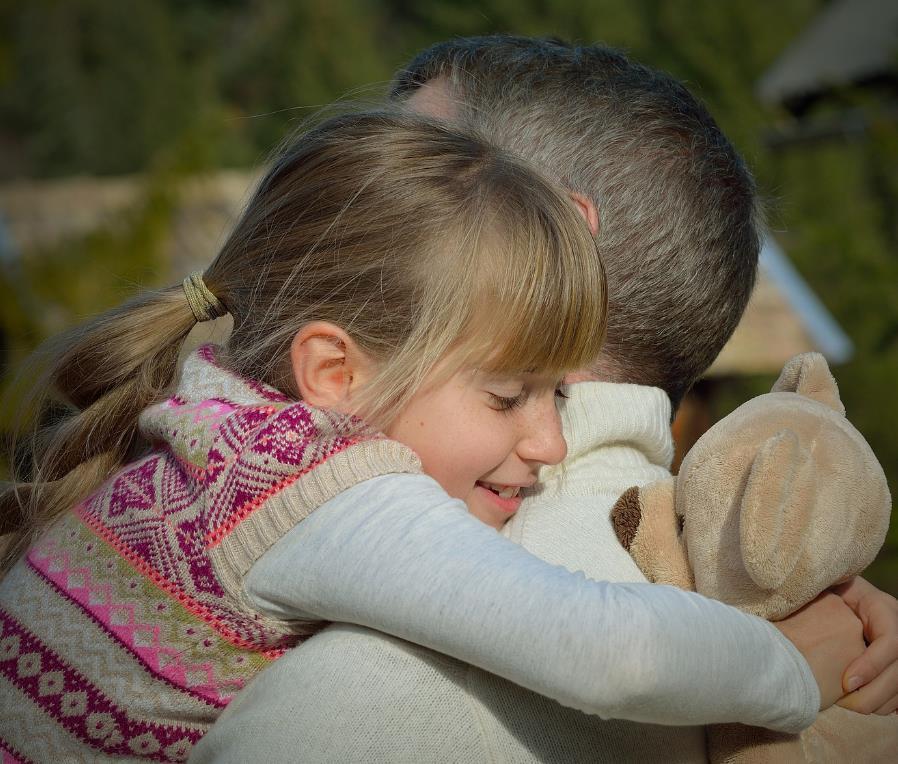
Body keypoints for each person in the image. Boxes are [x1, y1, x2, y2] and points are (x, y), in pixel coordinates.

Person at [0, 110, 845, 762]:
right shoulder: (316, 493)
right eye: (510, 396)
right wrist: (795, 666)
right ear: (336, 373)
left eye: (557, 392)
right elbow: (610, 650)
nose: (552, 441)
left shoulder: (219, 416)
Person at [193, 37, 898, 763]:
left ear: (558, 234)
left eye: (407, 174)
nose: (343, 222)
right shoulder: (797, 620)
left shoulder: (349, 705)